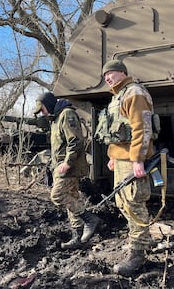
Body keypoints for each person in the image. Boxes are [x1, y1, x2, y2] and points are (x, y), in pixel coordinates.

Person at [101, 59, 155, 276]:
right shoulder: (118, 97)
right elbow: (114, 132)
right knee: (122, 202)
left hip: (132, 160)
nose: (107, 78)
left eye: (111, 74)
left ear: (123, 73)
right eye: (105, 76)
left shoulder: (134, 93)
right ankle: (137, 242)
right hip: (121, 160)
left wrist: (138, 159)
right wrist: (112, 155)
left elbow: (142, 128)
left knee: (134, 203)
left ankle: (139, 254)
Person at [34, 92, 100, 249]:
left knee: (57, 196)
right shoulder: (56, 119)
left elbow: (76, 141)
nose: (42, 113)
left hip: (69, 168)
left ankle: (89, 218)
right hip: (61, 168)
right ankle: (77, 237)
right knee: (71, 198)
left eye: (42, 109)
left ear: (48, 104)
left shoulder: (67, 115)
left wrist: (68, 162)